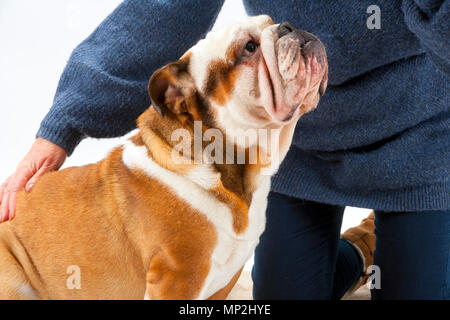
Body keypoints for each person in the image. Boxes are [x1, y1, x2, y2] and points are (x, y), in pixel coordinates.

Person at [0, 0, 448, 299]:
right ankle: (360, 248)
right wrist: (64, 124)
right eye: (253, 45)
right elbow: (167, 8)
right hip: (298, 149)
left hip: (421, 144)